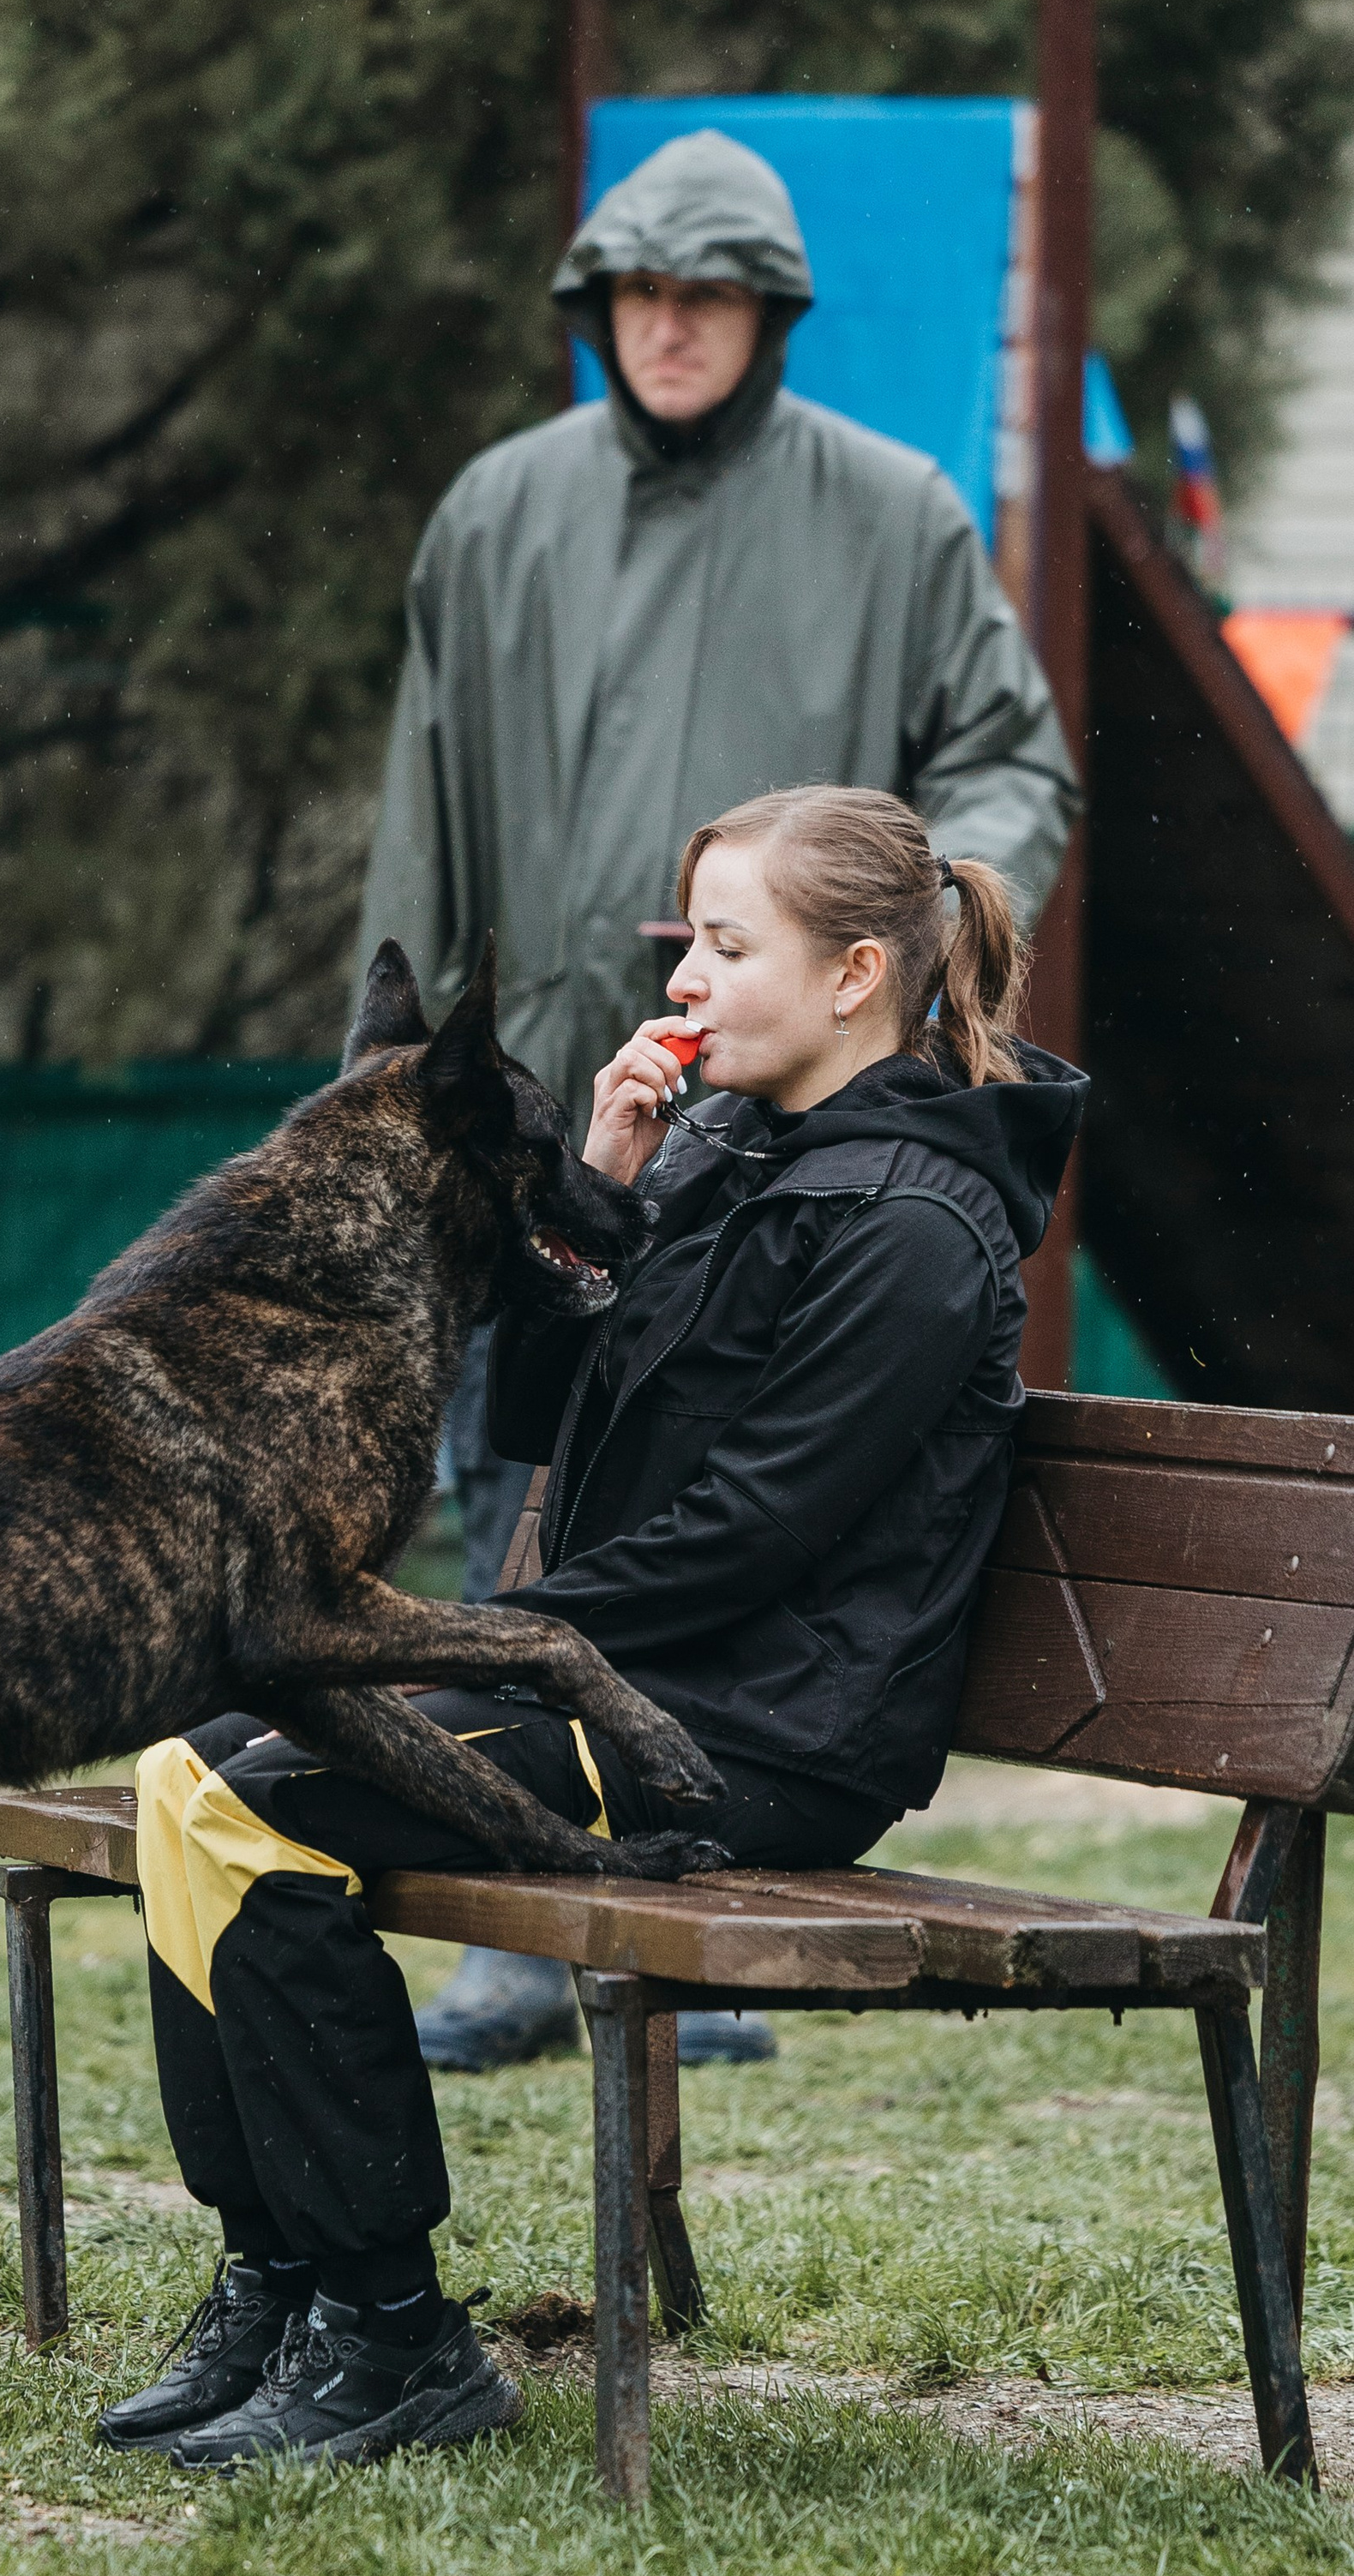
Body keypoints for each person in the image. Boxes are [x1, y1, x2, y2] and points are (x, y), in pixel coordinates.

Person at [97, 786, 1085, 2472]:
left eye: (723, 942)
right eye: (681, 941)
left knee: (249, 1801)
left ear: (853, 973)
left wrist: (460, 1642)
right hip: (640, 1686)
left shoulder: (916, 1224)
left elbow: (749, 1534)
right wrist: (590, 1205)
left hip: (756, 1734)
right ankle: (285, 2276)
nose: (684, 979)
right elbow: (535, 1425)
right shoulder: (716, 1145)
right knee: (187, 1770)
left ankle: (392, 2329)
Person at [360, 125, 1082, 2072]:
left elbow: (1012, 766)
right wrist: (394, 1067)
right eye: (637, 293)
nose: (669, 328)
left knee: (727, 1469)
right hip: (561, 1095)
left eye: (709, 295)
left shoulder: (890, 510)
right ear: (595, 310)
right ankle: (522, 1931)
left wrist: (895, 926)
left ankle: (670, 1923)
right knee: (529, 1444)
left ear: (770, 315)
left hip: (796, 1112)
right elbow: (422, 800)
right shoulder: (499, 510)